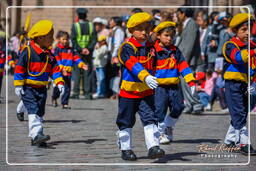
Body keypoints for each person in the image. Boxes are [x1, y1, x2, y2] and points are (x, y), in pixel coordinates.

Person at [116, 12, 165, 161]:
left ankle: (153, 147)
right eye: (139, 29)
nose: (144, 32)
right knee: (126, 120)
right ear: (131, 30)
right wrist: (146, 76)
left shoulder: (151, 47)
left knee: (150, 118)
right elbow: (132, 64)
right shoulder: (127, 47)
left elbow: (161, 62)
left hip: (146, 92)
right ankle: (126, 149)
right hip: (129, 92)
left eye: (147, 28)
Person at [14, 20, 64, 147]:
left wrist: (59, 82)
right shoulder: (28, 51)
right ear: (41, 37)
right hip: (28, 88)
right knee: (33, 111)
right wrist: (18, 84)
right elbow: (19, 68)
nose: (53, 39)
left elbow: (55, 69)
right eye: (50, 36)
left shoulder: (49, 54)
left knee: (40, 112)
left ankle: (36, 137)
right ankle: (37, 134)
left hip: (42, 88)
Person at [153, 21, 196, 144]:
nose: (169, 38)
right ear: (158, 36)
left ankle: (168, 126)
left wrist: (191, 81)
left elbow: (183, 65)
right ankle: (159, 133)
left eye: (172, 36)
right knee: (159, 111)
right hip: (159, 87)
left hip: (174, 86)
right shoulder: (153, 51)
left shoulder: (175, 51)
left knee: (179, 107)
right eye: (166, 35)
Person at [222, 13, 256, 155]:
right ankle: (244, 143)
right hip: (233, 84)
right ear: (235, 31)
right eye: (243, 30)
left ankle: (230, 140)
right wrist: (253, 51)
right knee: (240, 113)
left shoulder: (252, 45)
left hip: (246, 84)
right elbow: (238, 58)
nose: (248, 33)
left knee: (240, 113)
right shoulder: (230, 45)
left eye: (249, 29)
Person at [176, 5, 203, 114]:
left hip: (188, 60)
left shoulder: (191, 24)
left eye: (179, 13)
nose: (178, 16)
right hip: (185, 60)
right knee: (184, 83)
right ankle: (189, 104)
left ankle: (196, 104)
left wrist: (183, 62)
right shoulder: (187, 24)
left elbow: (189, 45)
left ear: (183, 13)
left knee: (188, 83)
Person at [52, 31, 88, 108]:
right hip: (59, 72)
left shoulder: (71, 49)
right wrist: (61, 68)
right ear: (59, 39)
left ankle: (64, 103)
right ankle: (54, 98)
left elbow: (76, 57)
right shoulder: (57, 49)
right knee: (58, 87)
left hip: (68, 72)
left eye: (67, 39)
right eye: (63, 39)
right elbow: (57, 59)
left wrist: (81, 64)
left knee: (67, 88)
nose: (65, 41)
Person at [70, 8, 97, 100]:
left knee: (77, 72)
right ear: (86, 15)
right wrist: (88, 48)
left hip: (78, 53)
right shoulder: (91, 25)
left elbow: (73, 40)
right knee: (87, 73)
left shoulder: (75, 26)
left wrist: (80, 49)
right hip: (88, 53)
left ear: (78, 16)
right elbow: (94, 39)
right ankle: (88, 93)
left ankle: (76, 93)